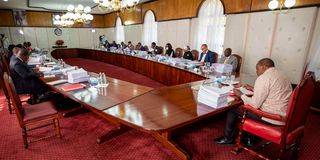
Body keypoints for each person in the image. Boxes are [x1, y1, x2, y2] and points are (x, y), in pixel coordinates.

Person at [214, 58, 292, 145]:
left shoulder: (263, 78)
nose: (256, 72)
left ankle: (228, 138)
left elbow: (255, 104)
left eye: (257, 69)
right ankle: (249, 138)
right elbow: (273, 93)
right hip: (284, 115)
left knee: (233, 109)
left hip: (271, 117)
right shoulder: (283, 75)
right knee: (245, 103)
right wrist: (253, 89)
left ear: (263, 67)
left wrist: (240, 94)